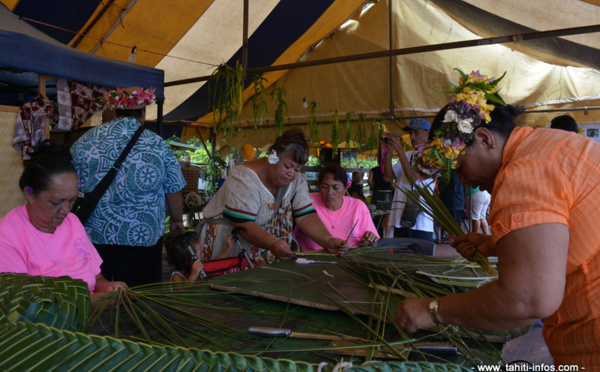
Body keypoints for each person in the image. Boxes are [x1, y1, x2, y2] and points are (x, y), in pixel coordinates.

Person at [395, 70, 600, 367]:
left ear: (484, 138)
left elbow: (528, 298)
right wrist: (496, 244)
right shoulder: (546, 145)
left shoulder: (523, 172)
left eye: (459, 165)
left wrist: (431, 310)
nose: (462, 181)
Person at [71, 87, 186, 288]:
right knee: (141, 296)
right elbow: (173, 187)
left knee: (97, 292)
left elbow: (68, 180)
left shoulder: (86, 140)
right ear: (143, 113)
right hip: (142, 233)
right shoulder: (157, 144)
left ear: (115, 111)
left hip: (96, 232)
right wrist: (176, 220)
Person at [0, 140, 127, 302]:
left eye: (72, 200)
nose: (65, 210)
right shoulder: (7, 236)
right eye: (56, 202)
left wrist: (108, 287)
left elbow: (96, 277)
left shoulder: (72, 222)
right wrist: (88, 304)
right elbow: (19, 305)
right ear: (30, 194)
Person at [200, 129, 348, 267]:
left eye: (297, 169)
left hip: (265, 248)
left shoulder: (297, 181)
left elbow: (306, 216)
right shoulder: (243, 178)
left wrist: (327, 240)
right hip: (230, 246)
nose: (292, 174)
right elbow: (242, 223)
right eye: (288, 166)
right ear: (273, 156)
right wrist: (272, 243)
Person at [294, 163, 379, 251]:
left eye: (336, 187)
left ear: (345, 188)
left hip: (350, 261)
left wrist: (368, 243)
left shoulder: (358, 207)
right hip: (312, 261)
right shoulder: (306, 202)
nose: (329, 192)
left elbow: (374, 244)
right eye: (325, 187)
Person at [383, 118, 436, 242]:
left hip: (420, 223)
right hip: (399, 220)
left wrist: (399, 150)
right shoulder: (407, 155)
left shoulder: (432, 156)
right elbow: (388, 178)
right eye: (410, 133)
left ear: (427, 133)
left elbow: (413, 178)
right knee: (401, 260)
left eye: (416, 133)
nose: (412, 137)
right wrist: (389, 152)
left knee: (419, 260)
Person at [165, 232, 234, 282]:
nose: (203, 255)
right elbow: (182, 292)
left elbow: (216, 262)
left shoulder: (198, 268)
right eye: (200, 254)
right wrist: (193, 276)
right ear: (186, 261)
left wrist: (228, 249)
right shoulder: (177, 276)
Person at [434, 171, 464, 243]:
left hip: (451, 200)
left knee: (451, 221)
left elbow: (441, 188)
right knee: (456, 221)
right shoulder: (460, 173)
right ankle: (453, 237)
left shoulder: (448, 174)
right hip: (460, 200)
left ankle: (452, 238)